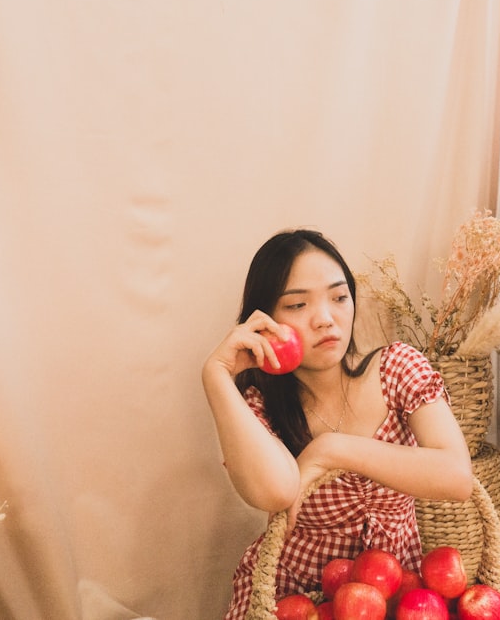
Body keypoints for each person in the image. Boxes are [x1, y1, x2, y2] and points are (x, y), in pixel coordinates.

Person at [202, 229, 473, 619]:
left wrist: (331, 448)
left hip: (392, 596)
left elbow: (456, 477)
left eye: (339, 297)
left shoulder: (397, 369)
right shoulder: (262, 405)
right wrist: (216, 373)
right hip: (294, 595)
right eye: (297, 305)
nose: (326, 319)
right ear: (264, 322)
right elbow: (276, 491)